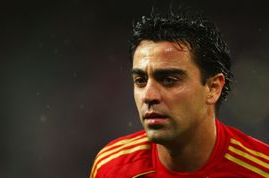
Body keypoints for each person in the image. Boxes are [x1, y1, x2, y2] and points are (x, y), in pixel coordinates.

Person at [90, 8, 269, 178]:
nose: (148, 96)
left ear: (213, 88)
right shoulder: (112, 168)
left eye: (169, 80)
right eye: (141, 81)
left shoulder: (261, 170)